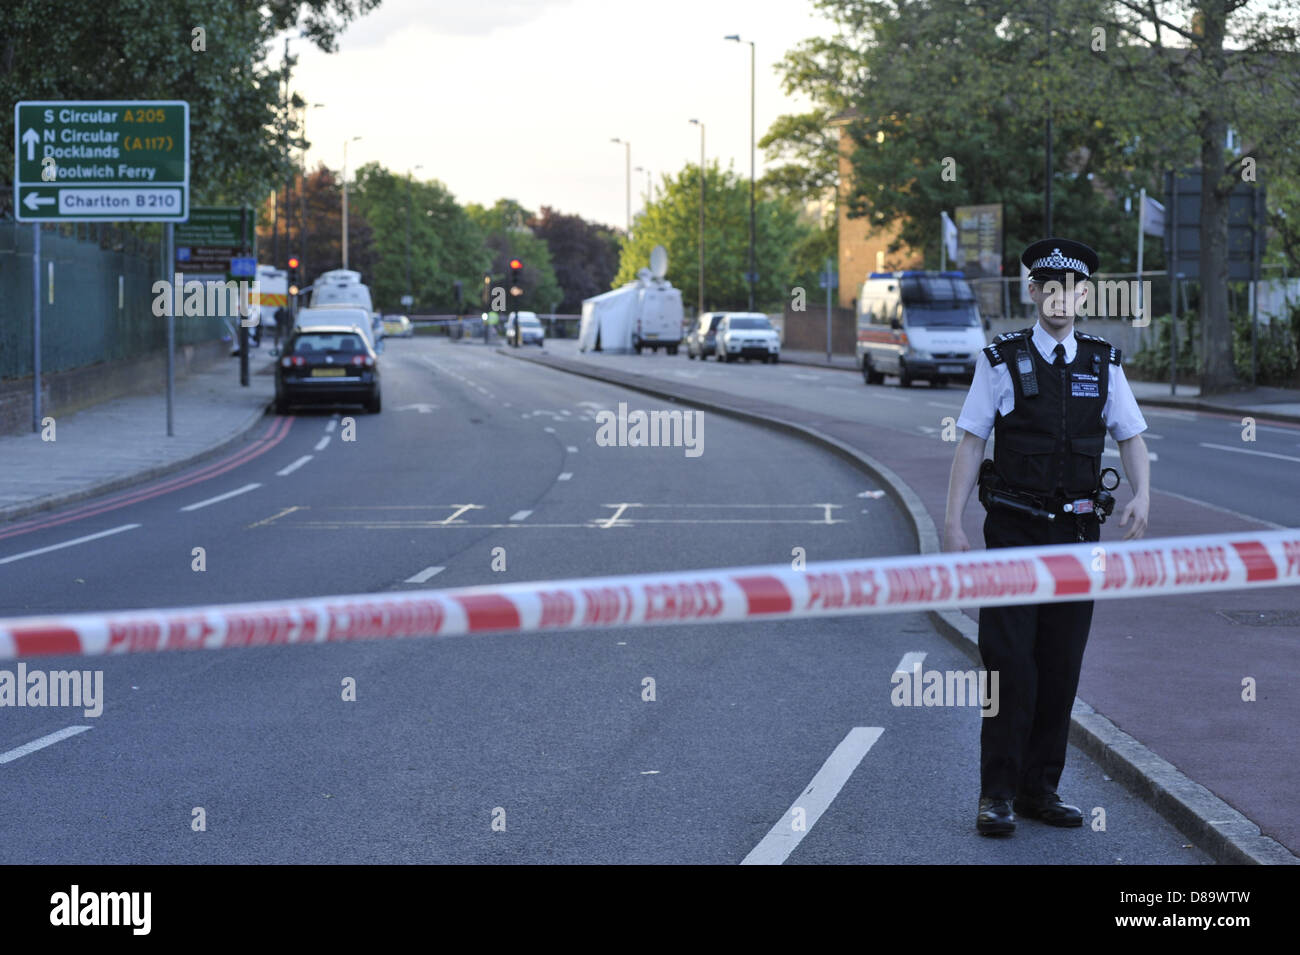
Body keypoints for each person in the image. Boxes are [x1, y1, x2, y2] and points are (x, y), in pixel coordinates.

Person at [942, 238, 1151, 836]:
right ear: (1034, 293)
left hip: (1077, 538)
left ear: (1085, 296)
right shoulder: (1000, 360)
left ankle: (1041, 790)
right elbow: (972, 440)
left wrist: (1142, 493)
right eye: (1048, 287)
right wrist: (953, 522)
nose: (1060, 298)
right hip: (1012, 533)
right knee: (1008, 667)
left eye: (1072, 289)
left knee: (1060, 668)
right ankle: (997, 795)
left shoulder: (1103, 362)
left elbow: (1131, 436)